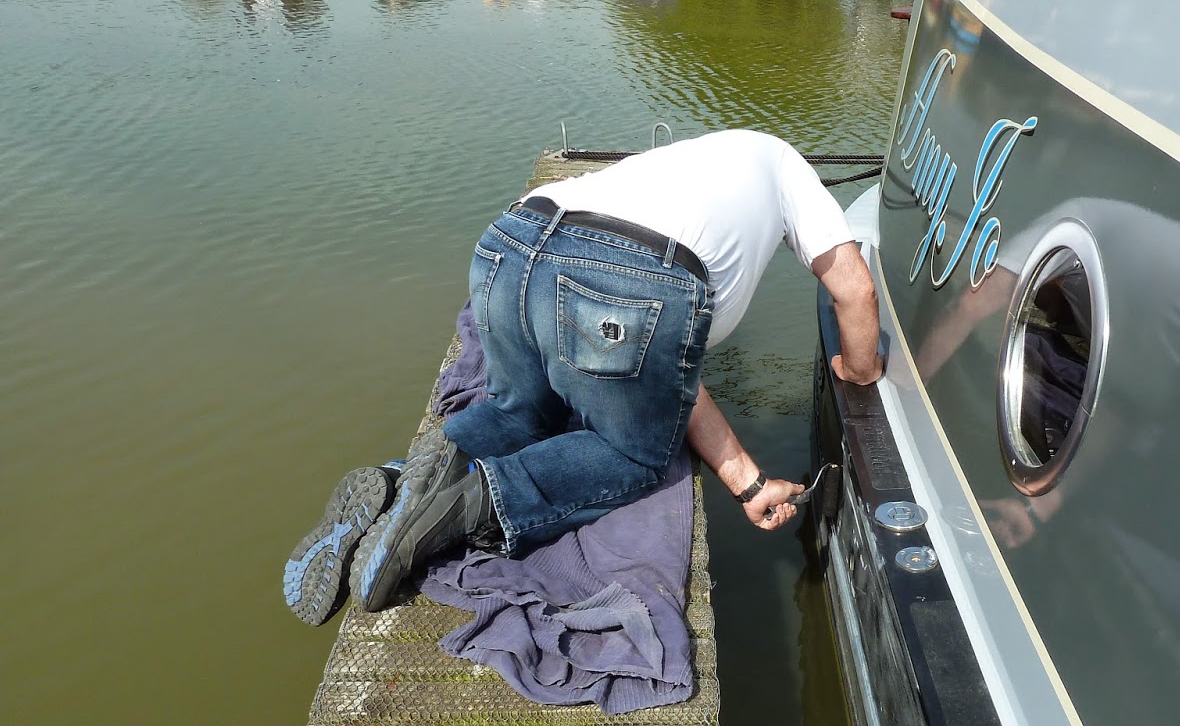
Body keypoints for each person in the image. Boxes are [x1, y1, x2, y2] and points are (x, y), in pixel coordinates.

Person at [283, 130, 882, 624]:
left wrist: (749, 486)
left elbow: (666, 367)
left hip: (512, 240)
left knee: (521, 412)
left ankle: (401, 482)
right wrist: (858, 369)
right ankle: (467, 506)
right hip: (629, 274)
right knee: (632, 456)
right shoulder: (790, 168)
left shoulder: (693, 159)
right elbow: (855, 291)